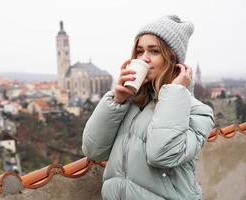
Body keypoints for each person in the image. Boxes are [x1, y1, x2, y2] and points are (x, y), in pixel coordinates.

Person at [82, 15, 215, 200]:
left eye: (154, 51)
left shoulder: (198, 112)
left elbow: (162, 155)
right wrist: (117, 100)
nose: (144, 59)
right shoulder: (128, 104)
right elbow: (93, 150)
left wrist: (175, 91)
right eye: (139, 51)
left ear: (172, 58)